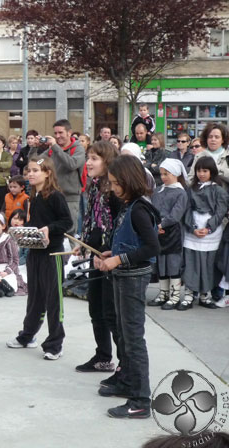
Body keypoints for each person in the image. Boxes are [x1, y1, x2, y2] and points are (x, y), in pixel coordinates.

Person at [94, 155, 160, 419]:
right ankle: (127, 382)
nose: (112, 188)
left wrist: (119, 259)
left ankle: (141, 400)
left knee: (133, 338)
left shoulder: (140, 208)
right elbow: (132, 242)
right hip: (124, 276)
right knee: (122, 332)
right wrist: (112, 252)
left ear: (128, 180)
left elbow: (152, 247)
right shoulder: (128, 205)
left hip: (134, 278)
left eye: (116, 183)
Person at [6, 156, 72, 360]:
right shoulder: (32, 198)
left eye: (36, 170)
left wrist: (49, 229)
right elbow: (35, 223)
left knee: (53, 300)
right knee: (34, 298)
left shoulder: (56, 197)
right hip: (35, 252)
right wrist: (22, 232)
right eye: (29, 170)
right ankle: (27, 335)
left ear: (47, 173)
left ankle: (55, 344)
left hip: (52, 254)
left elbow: (67, 222)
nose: (31, 174)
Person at [73, 141, 122, 374]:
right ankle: (103, 357)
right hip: (96, 255)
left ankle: (125, 365)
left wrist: (107, 251)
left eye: (94, 158)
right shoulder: (94, 187)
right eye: (88, 158)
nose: (88, 163)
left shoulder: (114, 191)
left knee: (111, 313)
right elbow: (94, 223)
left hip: (111, 258)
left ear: (107, 161)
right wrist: (85, 244)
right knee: (96, 309)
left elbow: (117, 228)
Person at [181, 156, 229, 310]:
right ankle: (188, 294)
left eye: (205, 171)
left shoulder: (219, 190)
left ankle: (205, 295)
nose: (201, 174)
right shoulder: (191, 189)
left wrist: (208, 228)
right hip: (193, 229)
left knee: (208, 264)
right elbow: (187, 209)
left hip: (211, 232)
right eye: (199, 171)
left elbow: (220, 211)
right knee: (191, 262)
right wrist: (192, 227)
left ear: (212, 171)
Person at [148, 159, 188, 310]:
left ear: (176, 174)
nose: (163, 177)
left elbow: (176, 215)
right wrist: (154, 225)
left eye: (167, 174)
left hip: (173, 232)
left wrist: (160, 225)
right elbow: (152, 209)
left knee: (173, 263)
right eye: (162, 174)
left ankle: (175, 295)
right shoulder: (158, 190)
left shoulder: (181, 193)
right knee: (161, 263)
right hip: (159, 232)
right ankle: (163, 293)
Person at [44, 119, 86, 234]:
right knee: (53, 230)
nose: (57, 136)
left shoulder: (78, 149)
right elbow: (37, 163)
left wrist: (55, 147)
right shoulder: (52, 150)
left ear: (69, 133)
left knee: (69, 231)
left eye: (60, 132)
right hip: (52, 196)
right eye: (55, 133)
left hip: (70, 197)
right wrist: (34, 148)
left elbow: (72, 164)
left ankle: (71, 247)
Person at [0, 212, 25, 295]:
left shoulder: (8, 239)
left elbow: (14, 259)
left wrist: (7, 271)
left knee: (9, 279)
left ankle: (5, 288)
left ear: (3, 226)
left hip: (5, 268)